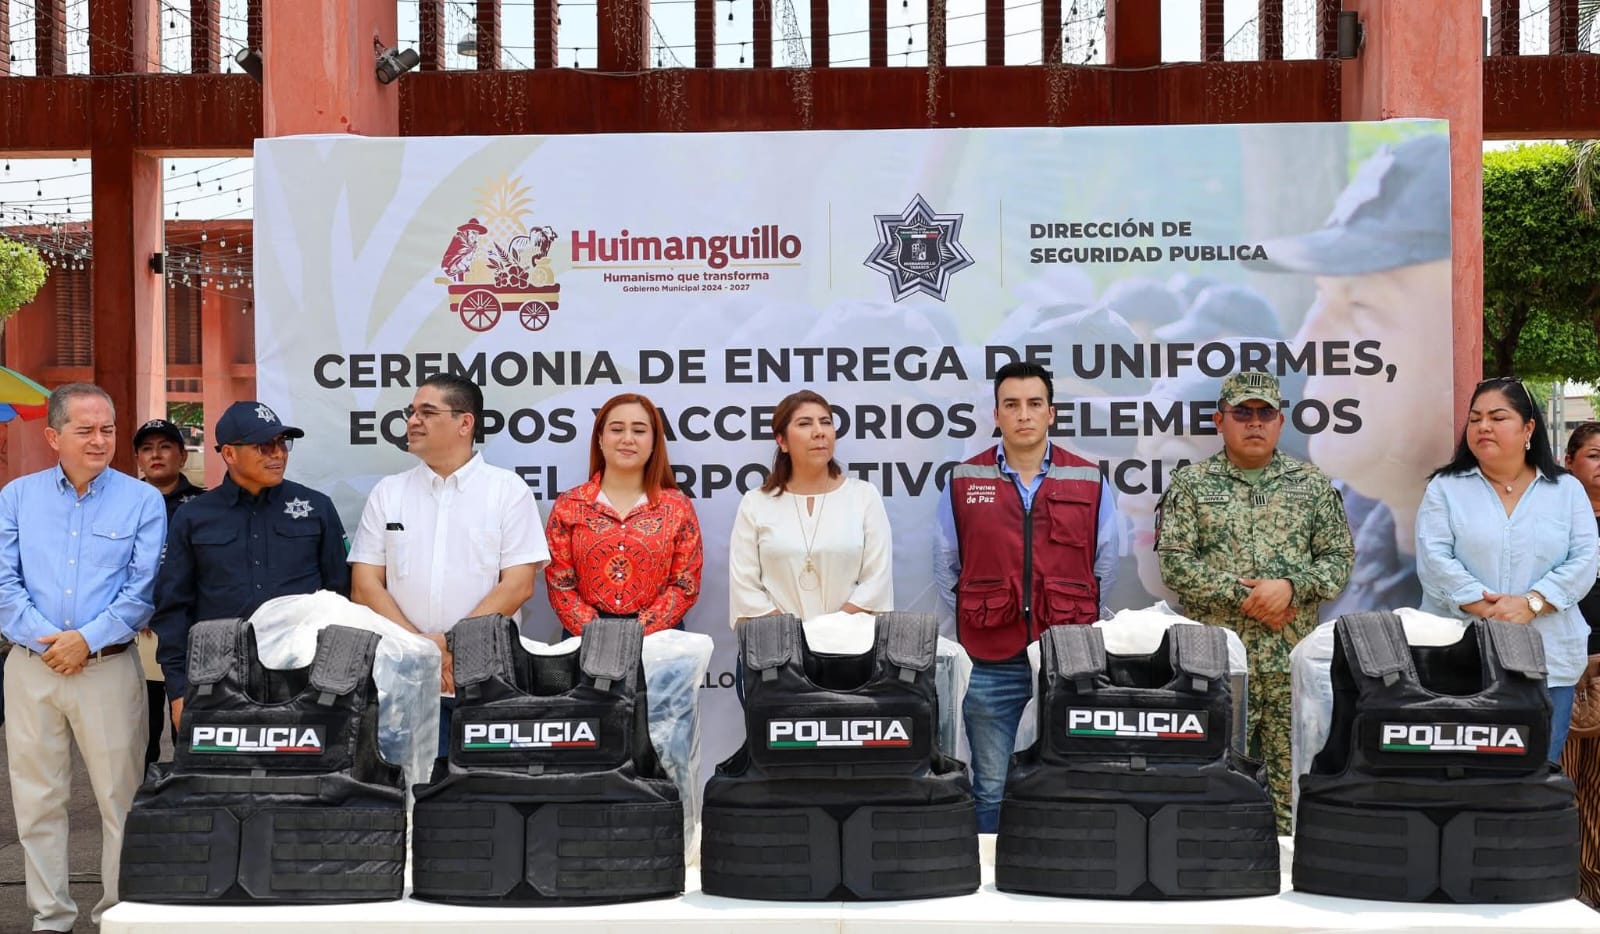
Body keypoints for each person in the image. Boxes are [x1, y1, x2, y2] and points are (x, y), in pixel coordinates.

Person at [1255, 132, 1454, 621]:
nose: (1306, 345)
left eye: (1361, 305)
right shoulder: (1335, 537)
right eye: (1322, 297)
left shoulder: (1532, 524)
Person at [1156, 369, 1353, 832]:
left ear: (1281, 422)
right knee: (1213, 785)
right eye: (1242, 413)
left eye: (1265, 413)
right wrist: (1247, 597)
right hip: (1217, 670)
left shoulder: (1311, 484)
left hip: (1291, 670)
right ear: (1219, 421)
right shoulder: (1192, 486)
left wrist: (1290, 587)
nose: (1254, 422)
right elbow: (1175, 565)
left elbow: (1339, 559)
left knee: (1293, 794)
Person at [0, 383, 165, 931]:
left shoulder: (142, 500)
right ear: (53, 436)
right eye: (85, 429)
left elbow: (142, 589)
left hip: (109, 668)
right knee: (37, 800)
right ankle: (51, 918)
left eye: (109, 429)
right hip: (32, 667)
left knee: (121, 799)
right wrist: (51, 640)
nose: (100, 440)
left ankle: (119, 917)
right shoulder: (16, 497)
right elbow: (4, 584)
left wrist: (85, 640)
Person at [934, 361, 1121, 834]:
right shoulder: (962, 478)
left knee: (1068, 778)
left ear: (1051, 413)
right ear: (995, 415)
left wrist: (1077, 618)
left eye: (1034, 404)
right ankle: (991, 891)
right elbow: (946, 566)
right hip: (989, 659)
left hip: (1065, 662)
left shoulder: (1089, 479)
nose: (1023, 415)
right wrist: (982, 611)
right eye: (1011, 405)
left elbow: (1105, 565)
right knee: (992, 785)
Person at [349, 374, 548, 756]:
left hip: (488, 677)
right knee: (402, 795)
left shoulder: (508, 491)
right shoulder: (388, 493)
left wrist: (449, 644)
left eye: (427, 411)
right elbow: (364, 585)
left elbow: (518, 586)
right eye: (411, 412)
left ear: (465, 423)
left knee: (481, 801)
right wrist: (423, 648)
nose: (412, 421)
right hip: (402, 675)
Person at [1416, 379, 1599, 763]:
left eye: (1498, 417)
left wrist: (1532, 603)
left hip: (1548, 657)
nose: (1483, 427)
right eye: (1475, 419)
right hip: (1460, 653)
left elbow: (1585, 560)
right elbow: (1434, 560)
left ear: (1529, 428)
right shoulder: (1446, 488)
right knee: (1464, 770)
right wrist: (1488, 609)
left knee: (1536, 772)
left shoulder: (1565, 490)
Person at [151, 400, 350, 729]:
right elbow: (173, 609)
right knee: (224, 780)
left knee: (303, 778)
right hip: (218, 679)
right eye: (264, 445)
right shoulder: (194, 517)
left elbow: (341, 597)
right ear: (229, 454)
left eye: (282, 443)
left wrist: (340, 679)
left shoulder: (316, 508)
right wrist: (178, 690)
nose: (278, 454)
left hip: (306, 678)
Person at [544, 392, 702, 636]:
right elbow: (560, 584)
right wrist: (598, 634)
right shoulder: (569, 505)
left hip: (658, 647)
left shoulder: (677, 507)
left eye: (639, 431)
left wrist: (638, 632)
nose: (628, 439)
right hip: (584, 645)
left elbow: (685, 585)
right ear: (600, 438)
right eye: (617, 429)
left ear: (653, 442)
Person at [729, 389, 892, 624]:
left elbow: (877, 582)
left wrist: (827, 632)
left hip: (850, 648)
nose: (819, 432)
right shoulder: (756, 503)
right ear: (782, 441)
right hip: (776, 651)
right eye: (805, 424)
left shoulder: (863, 496)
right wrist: (791, 638)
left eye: (825, 422)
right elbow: (745, 588)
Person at [132, 417, 205, 768]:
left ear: (182, 456)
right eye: (147, 449)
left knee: (188, 728)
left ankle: (187, 807)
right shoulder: (124, 505)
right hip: (136, 631)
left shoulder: (207, 506)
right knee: (140, 733)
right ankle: (143, 808)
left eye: (165, 447)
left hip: (188, 631)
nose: (155, 455)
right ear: (138, 459)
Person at [1559, 421, 1600, 905]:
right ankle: (1564, 883)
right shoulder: (1556, 518)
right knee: (1562, 780)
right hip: (1566, 666)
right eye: (1594, 455)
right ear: (1569, 462)